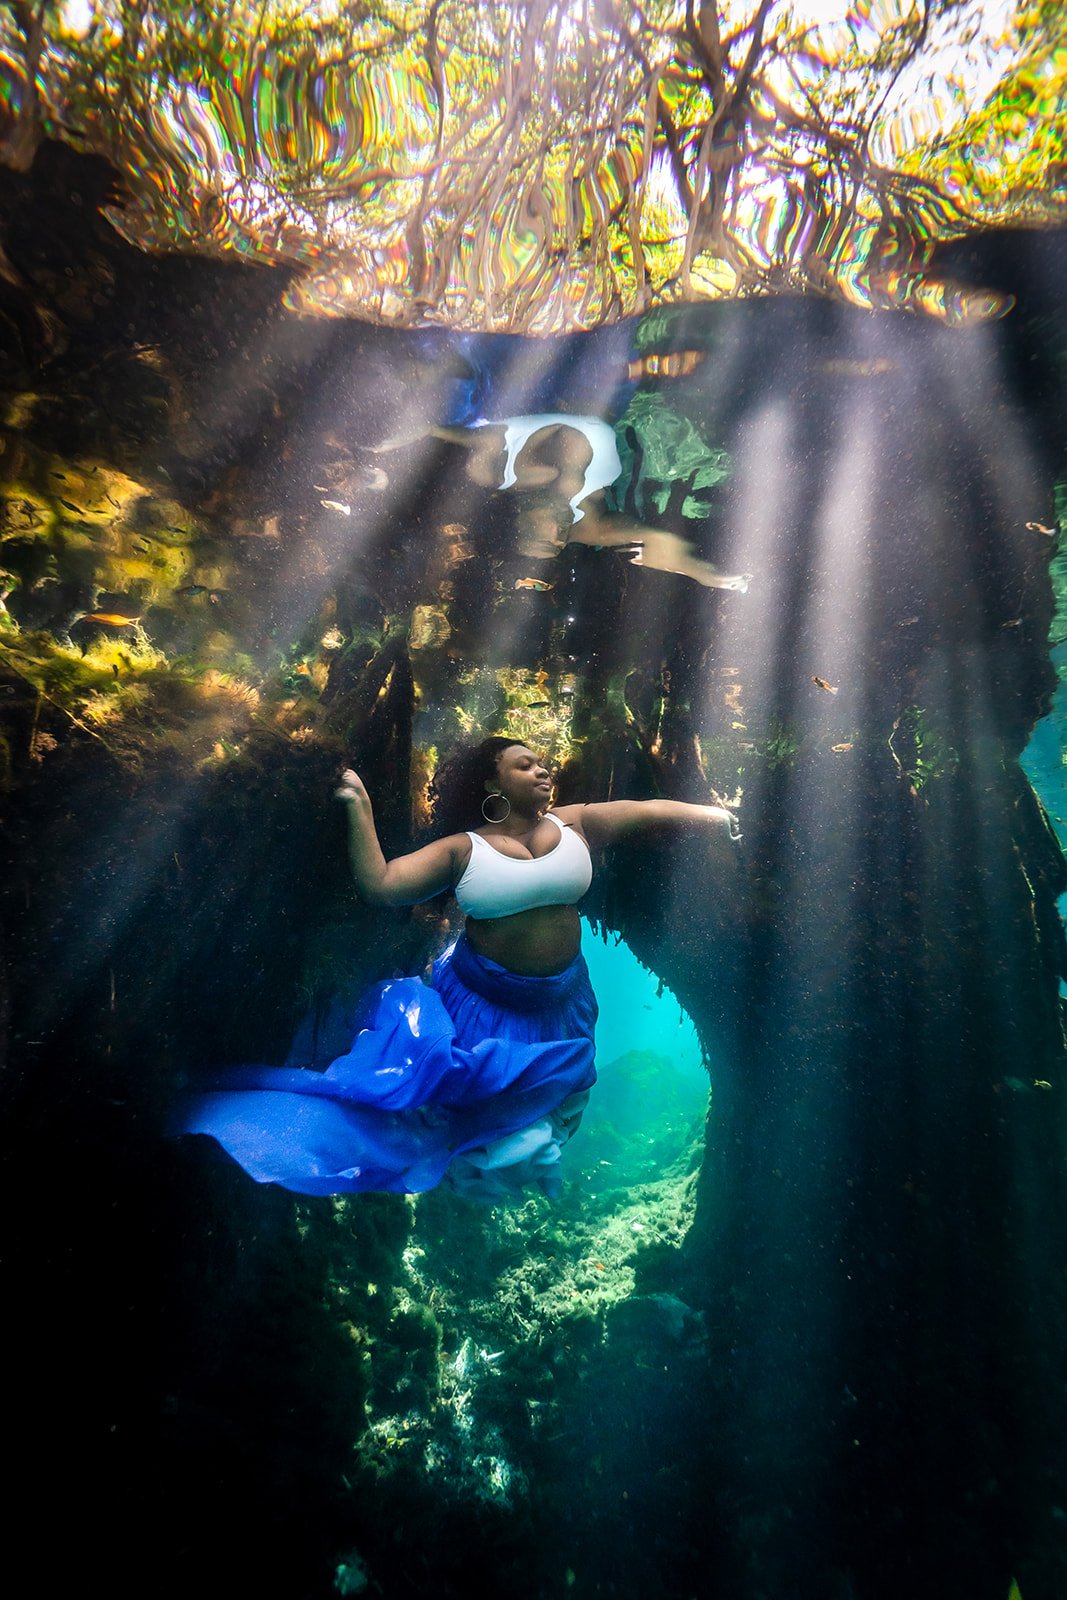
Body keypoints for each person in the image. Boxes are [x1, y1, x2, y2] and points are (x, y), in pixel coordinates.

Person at [175, 738, 739, 1200]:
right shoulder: (462, 850)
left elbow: (647, 810)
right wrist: (359, 807)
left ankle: (495, 1163)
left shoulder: (576, 824)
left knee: (537, 1114)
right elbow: (383, 885)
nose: (543, 770)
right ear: (494, 784)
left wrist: (717, 815)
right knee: (451, 1118)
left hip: (561, 1001)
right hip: (481, 1004)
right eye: (526, 765)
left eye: (542, 763)